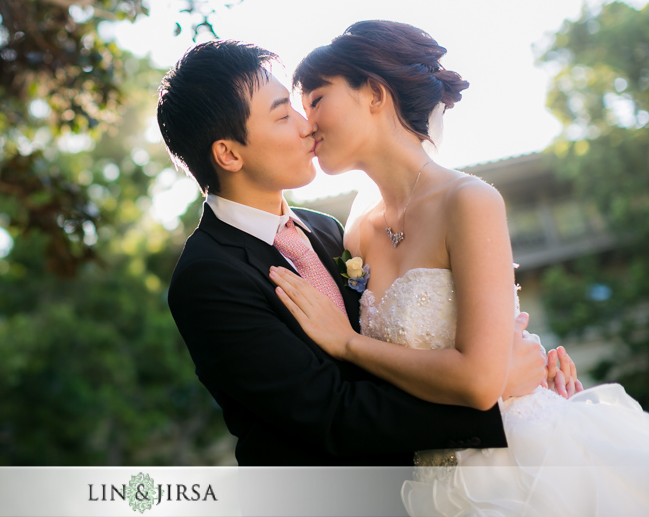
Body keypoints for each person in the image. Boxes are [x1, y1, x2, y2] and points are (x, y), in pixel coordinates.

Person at [271, 20, 649, 514]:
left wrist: (348, 342)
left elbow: (478, 379)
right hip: (426, 481)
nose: (308, 123)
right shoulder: (356, 231)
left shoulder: (469, 201)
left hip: (523, 466)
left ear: (375, 94)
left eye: (316, 99)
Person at [156, 39, 560, 467]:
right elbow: (332, 414)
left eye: (303, 107)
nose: (306, 125)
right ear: (229, 154)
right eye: (282, 115)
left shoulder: (328, 230)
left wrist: (514, 355)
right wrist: (493, 394)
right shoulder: (207, 276)